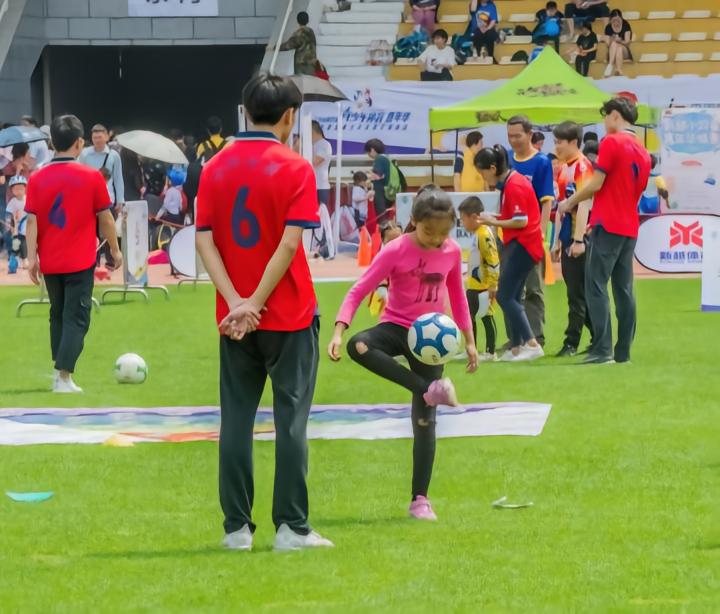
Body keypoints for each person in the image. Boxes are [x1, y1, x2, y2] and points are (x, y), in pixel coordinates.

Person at [195, 73, 333, 553]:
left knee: (236, 421)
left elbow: (204, 241)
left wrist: (236, 301)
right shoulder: (296, 167)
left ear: (245, 110)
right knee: (291, 421)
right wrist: (255, 301)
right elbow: (290, 243)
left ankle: (236, 528)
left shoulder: (214, 166)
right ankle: (292, 527)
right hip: (288, 313)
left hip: (233, 319)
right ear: (290, 116)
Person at [328, 186, 478, 521]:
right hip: (396, 328)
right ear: (414, 221)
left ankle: (420, 499)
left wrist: (469, 341)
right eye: (428, 232)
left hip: (432, 339)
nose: (435, 240)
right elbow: (360, 289)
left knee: (425, 421)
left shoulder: (452, 251)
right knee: (359, 345)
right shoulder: (395, 249)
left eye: (442, 233)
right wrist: (339, 330)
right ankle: (429, 388)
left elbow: (457, 295)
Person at [24, 114, 122, 393]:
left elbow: (31, 221)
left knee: (57, 313)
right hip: (79, 260)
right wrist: (115, 250)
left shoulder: (37, 178)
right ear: (79, 143)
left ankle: (59, 371)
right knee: (77, 317)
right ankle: (63, 376)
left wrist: (32, 258)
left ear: (52, 142)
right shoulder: (91, 177)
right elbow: (106, 218)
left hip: (50, 260)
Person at [557, 97, 651, 364]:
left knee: (595, 285)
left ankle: (602, 349)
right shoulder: (643, 150)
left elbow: (597, 183)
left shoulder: (612, 142)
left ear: (615, 115)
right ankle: (622, 352)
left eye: (605, 116)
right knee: (624, 289)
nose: (604, 122)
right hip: (629, 226)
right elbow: (631, 190)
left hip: (608, 224)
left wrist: (569, 202)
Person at [473, 146, 545, 361]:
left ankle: (531, 344)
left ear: (492, 168)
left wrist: (492, 221)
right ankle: (517, 346)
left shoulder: (515, 185)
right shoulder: (511, 183)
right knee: (512, 296)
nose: (483, 178)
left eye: (482, 173)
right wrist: (494, 217)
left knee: (505, 296)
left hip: (524, 245)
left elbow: (521, 221)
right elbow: (513, 216)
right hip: (522, 244)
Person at [507, 115, 554, 347]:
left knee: (533, 288)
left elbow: (546, 201)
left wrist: (541, 233)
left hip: (531, 236)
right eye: (510, 136)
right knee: (510, 289)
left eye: (518, 135)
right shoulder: (507, 159)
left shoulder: (541, 162)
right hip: (509, 235)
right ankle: (515, 339)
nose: (513, 140)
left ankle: (536, 336)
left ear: (529, 134)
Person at [551, 121, 594, 357]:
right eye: (555, 142)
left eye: (560, 142)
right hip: (568, 236)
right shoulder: (563, 169)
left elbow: (585, 203)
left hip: (580, 237)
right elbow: (561, 208)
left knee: (577, 294)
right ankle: (599, 336)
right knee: (577, 292)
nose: (556, 147)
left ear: (574, 142)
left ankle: (572, 342)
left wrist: (578, 240)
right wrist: (556, 241)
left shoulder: (582, 167)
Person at [458, 196, 500, 361]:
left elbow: (492, 259)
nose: (462, 223)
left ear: (474, 217)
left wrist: (492, 284)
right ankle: (471, 348)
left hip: (483, 286)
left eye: (463, 219)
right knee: (469, 316)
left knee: (486, 315)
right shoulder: (477, 234)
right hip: (473, 285)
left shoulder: (484, 234)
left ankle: (490, 352)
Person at [78, 123, 125, 269]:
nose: (97, 140)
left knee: (109, 230)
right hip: (88, 199)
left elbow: (118, 178)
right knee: (91, 231)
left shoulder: (114, 155)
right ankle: (94, 260)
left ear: (106, 137)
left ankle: (111, 260)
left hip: (108, 198)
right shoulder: (84, 154)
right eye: (95, 137)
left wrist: (120, 200)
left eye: (100, 136)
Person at [276, 11, 318, 76]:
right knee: (310, 81)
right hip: (312, 63)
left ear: (297, 21)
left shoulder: (299, 33)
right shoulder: (311, 32)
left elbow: (288, 45)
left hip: (302, 63)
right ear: (308, 21)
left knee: (301, 81)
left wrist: (274, 48)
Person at [364, 138, 392, 220]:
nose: (368, 154)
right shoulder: (386, 157)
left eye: (368, 152)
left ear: (372, 150)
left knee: (381, 216)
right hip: (387, 191)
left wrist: (367, 175)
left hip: (380, 191)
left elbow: (377, 175)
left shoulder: (379, 159)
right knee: (386, 215)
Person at [6, 175, 29, 268]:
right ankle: (19, 260)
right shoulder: (13, 202)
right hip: (18, 227)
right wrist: (9, 224)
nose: (19, 191)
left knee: (28, 243)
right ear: (12, 190)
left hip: (29, 225)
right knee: (18, 244)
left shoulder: (28, 198)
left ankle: (27, 259)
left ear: (25, 188)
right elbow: (8, 214)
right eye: (16, 189)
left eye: (21, 188)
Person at [604, 11, 632, 77]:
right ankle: (618, 69)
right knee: (616, 45)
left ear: (621, 18)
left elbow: (627, 43)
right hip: (612, 51)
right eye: (614, 20)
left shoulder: (626, 25)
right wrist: (612, 39)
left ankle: (610, 65)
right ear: (611, 20)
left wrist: (620, 41)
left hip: (624, 49)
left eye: (618, 20)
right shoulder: (608, 27)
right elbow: (608, 44)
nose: (616, 22)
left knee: (618, 46)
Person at [311, 120, 332, 207]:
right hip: (312, 185)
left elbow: (316, 161)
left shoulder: (324, 144)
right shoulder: (312, 145)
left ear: (312, 131)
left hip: (320, 186)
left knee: (321, 212)